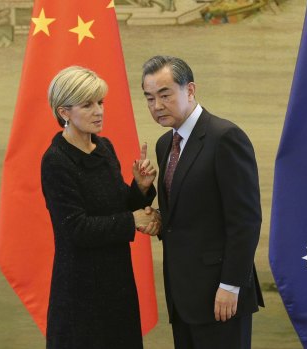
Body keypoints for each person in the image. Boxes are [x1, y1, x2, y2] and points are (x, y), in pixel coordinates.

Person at [141, 55, 264, 349]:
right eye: (149, 98)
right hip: (183, 296)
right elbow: (188, 213)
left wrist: (231, 285)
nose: (156, 106)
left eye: (165, 95)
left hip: (221, 294)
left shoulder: (225, 137)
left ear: (191, 90)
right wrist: (154, 211)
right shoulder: (164, 144)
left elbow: (245, 220)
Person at [40, 66, 160, 349]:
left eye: (100, 102)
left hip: (116, 283)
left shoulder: (104, 147)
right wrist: (133, 221)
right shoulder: (56, 161)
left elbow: (118, 206)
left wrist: (140, 187)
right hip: (80, 293)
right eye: (87, 104)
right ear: (64, 112)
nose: (99, 111)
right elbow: (76, 229)